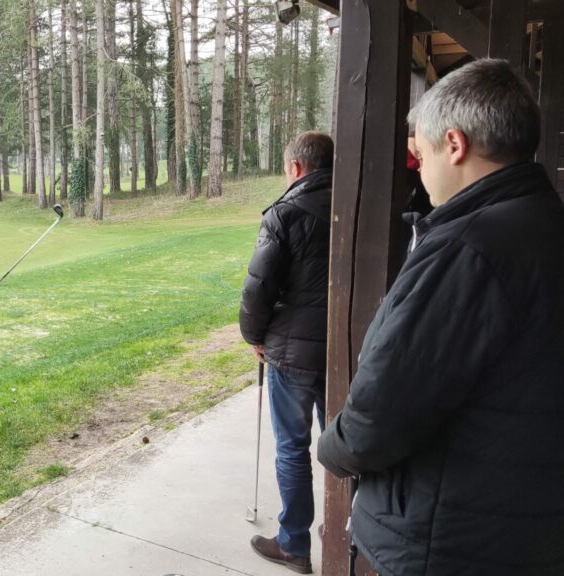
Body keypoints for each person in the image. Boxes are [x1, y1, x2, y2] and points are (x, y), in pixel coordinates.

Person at [318, 58, 564, 575]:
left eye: (422, 154)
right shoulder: (542, 223)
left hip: (448, 540)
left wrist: (332, 448)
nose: (420, 169)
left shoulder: (469, 248)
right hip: (522, 530)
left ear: (455, 145)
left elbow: (383, 410)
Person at [239, 131, 334, 574]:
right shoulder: (357, 202)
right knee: (343, 446)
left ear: (296, 168)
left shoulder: (285, 212)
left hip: (293, 353)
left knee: (293, 449)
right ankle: (347, 533)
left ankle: (294, 544)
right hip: (343, 350)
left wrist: (253, 335)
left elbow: (259, 288)